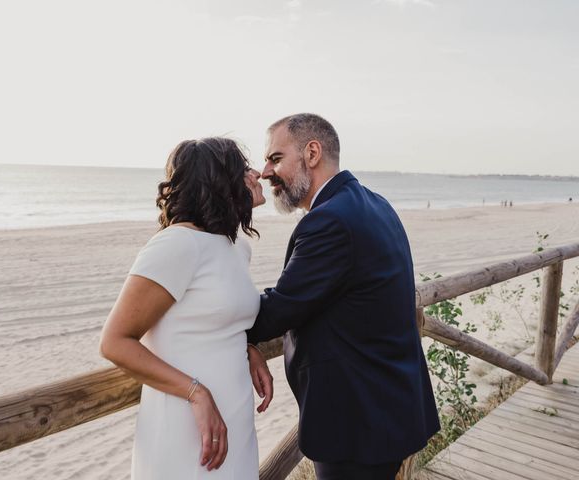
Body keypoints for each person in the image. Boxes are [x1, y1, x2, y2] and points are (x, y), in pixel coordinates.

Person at [246, 113, 440, 480]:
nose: (265, 172)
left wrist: (227, 326)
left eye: (275, 158)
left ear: (312, 153)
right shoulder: (374, 202)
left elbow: (279, 310)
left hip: (358, 424)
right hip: (388, 408)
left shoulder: (328, 221)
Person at [100, 137, 271, 479]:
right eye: (242, 169)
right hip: (188, 423)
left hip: (235, 421)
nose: (256, 174)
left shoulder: (235, 248)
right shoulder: (176, 244)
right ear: (218, 181)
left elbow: (212, 318)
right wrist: (197, 393)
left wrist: (246, 347)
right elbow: (115, 342)